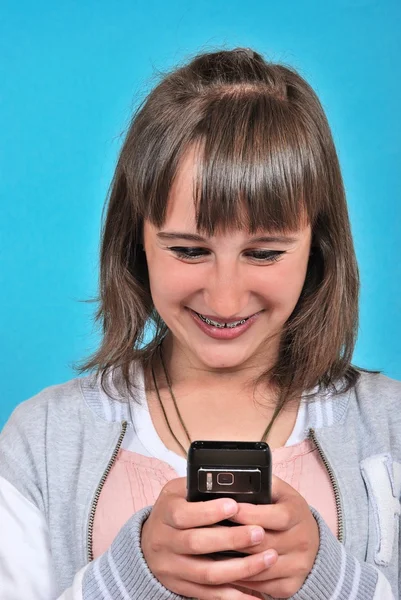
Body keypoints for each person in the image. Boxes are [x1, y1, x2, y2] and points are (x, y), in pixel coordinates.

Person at [0, 47, 399, 600]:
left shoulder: (391, 429)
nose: (227, 296)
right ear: (134, 243)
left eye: (264, 254)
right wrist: (130, 576)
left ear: (319, 249)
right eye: (189, 250)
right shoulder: (41, 442)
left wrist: (329, 578)